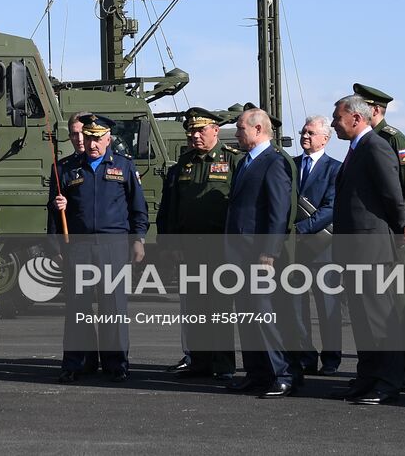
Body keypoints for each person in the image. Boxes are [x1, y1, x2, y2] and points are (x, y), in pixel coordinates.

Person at [49, 113, 148, 383]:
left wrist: (138, 239)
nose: (92, 143)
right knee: (78, 306)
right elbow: (53, 213)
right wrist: (55, 243)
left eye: (98, 138)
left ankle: (116, 363)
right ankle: (78, 362)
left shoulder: (125, 167)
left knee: (112, 306)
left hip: (112, 245)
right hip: (78, 246)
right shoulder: (65, 169)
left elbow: (138, 208)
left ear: (108, 139)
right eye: (89, 137)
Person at [330, 95, 405, 405]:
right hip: (355, 247)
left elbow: (393, 193)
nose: (334, 122)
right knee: (362, 317)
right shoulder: (357, 148)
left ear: (356, 118)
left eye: (337, 117)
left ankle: (387, 381)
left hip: (371, 247)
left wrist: (399, 226)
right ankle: (367, 377)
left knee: (378, 316)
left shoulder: (375, 146)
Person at [156, 106, 240, 380]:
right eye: (191, 130)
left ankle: (224, 365)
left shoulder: (233, 161)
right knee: (194, 307)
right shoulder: (183, 164)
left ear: (216, 130)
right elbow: (169, 208)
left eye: (200, 130)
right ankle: (200, 361)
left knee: (220, 308)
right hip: (189, 248)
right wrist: (169, 244)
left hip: (219, 247)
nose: (194, 135)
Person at [351, 83, 405, 390]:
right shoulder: (364, 140)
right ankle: (387, 368)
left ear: (375, 110)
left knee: (398, 302)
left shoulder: (391, 138)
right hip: (378, 234)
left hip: (394, 234)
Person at [223, 107, 298, 398]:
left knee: (264, 315)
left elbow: (279, 211)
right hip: (239, 254)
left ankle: (282, 374)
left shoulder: (273, 162)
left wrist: (269, 251)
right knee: (247, 316)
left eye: (241, 128)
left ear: (258, 129)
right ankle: (256, 374)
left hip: (258, 255)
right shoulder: (245, 163)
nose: (238, 133)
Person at [290, 114, 343, 376]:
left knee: (328, 306)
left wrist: (300, 229)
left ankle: (331, 359)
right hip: (295, 251)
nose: (305, 136)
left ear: (325, 138)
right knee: (296, 306)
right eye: (303, 131)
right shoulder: (291, 164)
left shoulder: (336, 168)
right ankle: (304, 356)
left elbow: (331, 207)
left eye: (311, 133)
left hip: (324, 249)